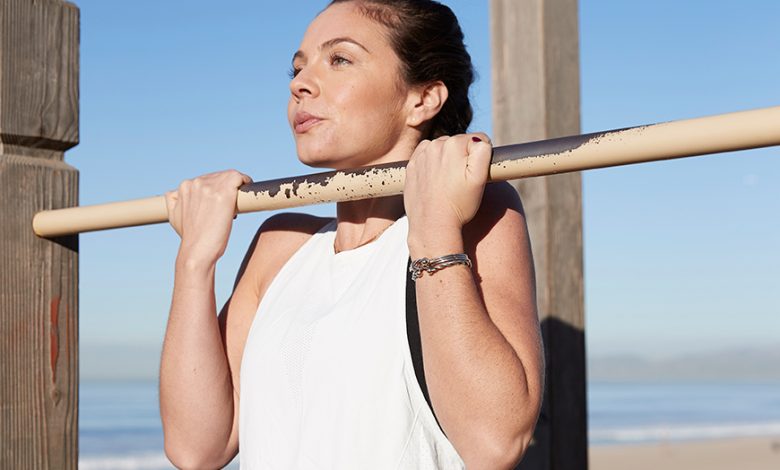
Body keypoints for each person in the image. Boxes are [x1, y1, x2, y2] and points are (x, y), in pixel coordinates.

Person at [159, 1, 544, 468]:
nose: (299, 84)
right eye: (298, 67)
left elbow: (494, 443)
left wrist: (437, 227)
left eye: (339, 59)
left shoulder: (478, 216)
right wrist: (195, 262)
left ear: (422, 99)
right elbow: (196, 448)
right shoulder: (279, 244)